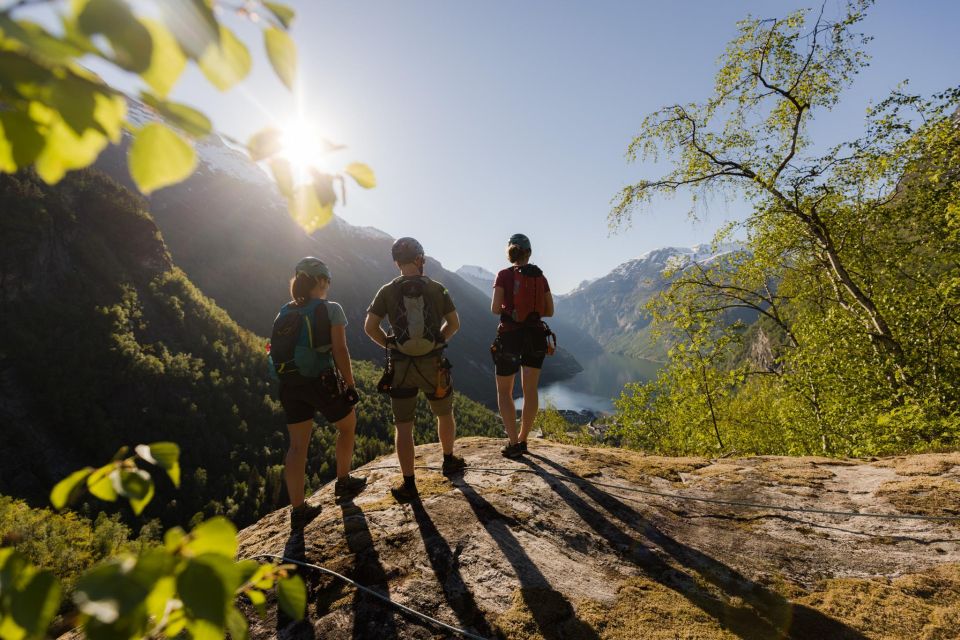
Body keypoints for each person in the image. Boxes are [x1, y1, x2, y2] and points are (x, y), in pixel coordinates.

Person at [364, 237, 466, 502]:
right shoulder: (437, 288)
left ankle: (409, 484)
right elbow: (454, 323)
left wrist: (390, 343)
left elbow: (369, 327)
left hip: (401, 367)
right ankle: (448, 460)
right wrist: (439, 340)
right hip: (433, 363)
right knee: (444, 413)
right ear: (420, 259)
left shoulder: (387, 290)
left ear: (397, 262)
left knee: (404, 426)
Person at [270, 257, 367, 529]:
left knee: (297, 446)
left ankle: (298, 510)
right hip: (320, 380)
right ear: (321, 280)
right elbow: (340, 350)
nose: (328, 285)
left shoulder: (284, 311)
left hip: (289, 384)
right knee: (347, 427)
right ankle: (344, 483)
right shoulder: (331, 309)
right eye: (327, 280)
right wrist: (350, 383)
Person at [490, 233, 555, 458]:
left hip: (510, 337)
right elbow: (550, 311)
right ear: (529, 252)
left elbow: (495, 308)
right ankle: (524, 439)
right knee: (530, 390)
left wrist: (513, 311)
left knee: (505, 391)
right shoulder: (540, 277)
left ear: (510, 251)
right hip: (536, 336)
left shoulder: (504, 275)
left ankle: (512, 442)